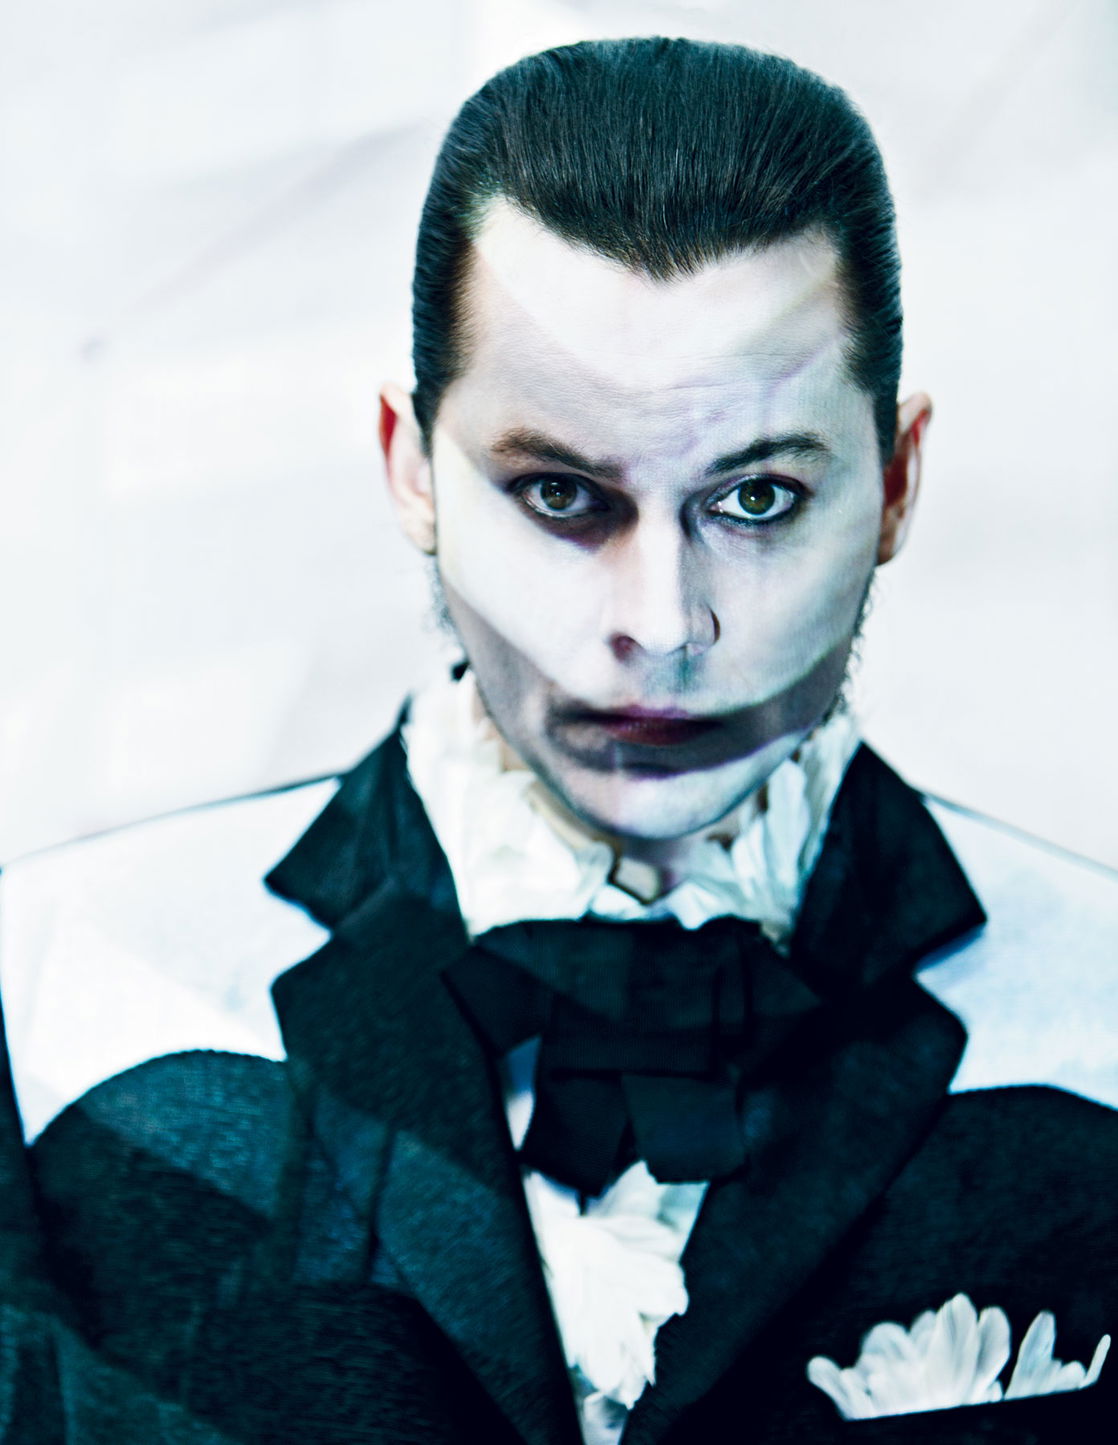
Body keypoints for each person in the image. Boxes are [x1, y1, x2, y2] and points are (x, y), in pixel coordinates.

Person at [1, 36, 1116, 1445]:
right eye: (559, 495)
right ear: (410, 463)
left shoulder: (1095, 1015)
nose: (660, 625)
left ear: (894, 481)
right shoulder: (57, 996)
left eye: (758, 498)